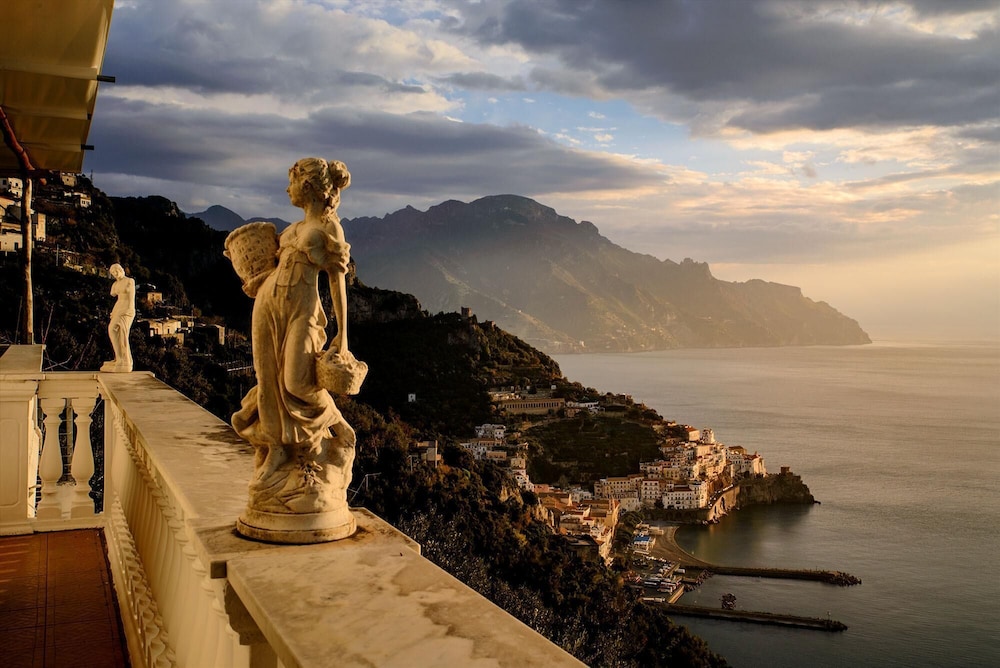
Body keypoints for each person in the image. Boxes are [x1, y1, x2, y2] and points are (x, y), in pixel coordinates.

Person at [231, 157, 358, 540]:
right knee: (269, 384)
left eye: (293, 180)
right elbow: (268, 269)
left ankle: (337, 426)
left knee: (299, 385)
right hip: (267, 310)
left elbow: (338, 285)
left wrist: (343, 336)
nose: (288, 188)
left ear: (310, 186)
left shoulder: (327, 227)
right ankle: (279, 455)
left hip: (303, 313)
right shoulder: (296, 228)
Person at [101, 263, 135, 372]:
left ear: (120, 270)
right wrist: (114, 311)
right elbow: (116, 297)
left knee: (122, 333)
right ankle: (119, 357)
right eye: (113, 273)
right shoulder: (115, 285)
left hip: (126, 309)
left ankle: (124, 360)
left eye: (116, 271)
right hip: (118, 308)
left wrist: (129, 310)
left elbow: (131, 299)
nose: (115, 274)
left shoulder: (130, 281)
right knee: (113, 330)